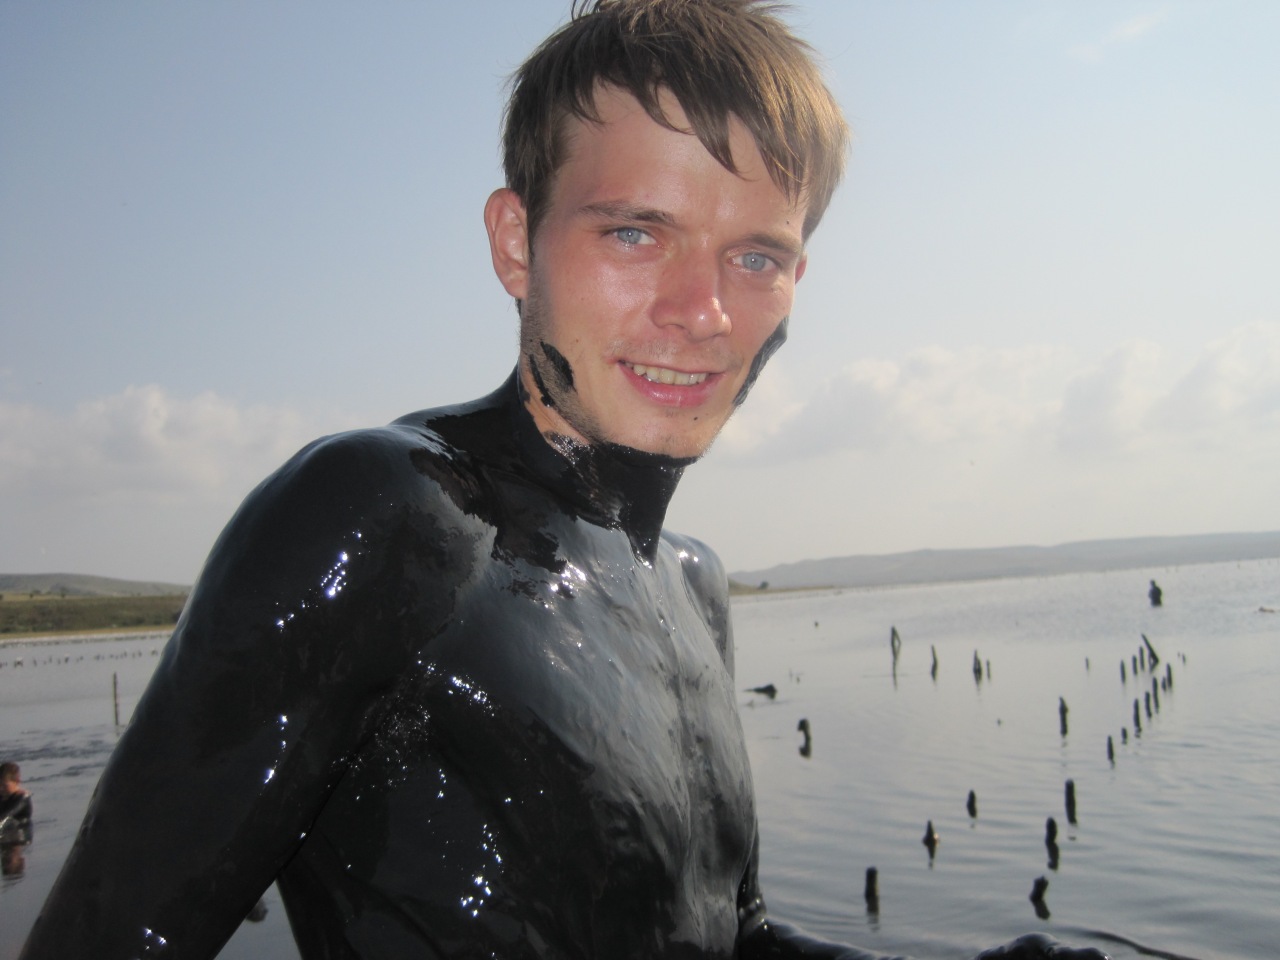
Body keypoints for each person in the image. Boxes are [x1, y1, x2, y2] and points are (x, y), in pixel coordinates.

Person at [22, 3, 1106, 958]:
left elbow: (728, 939)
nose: (701, 312)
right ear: (515, 243)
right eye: (635, 232)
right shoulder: (391, 517)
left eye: (755, 256)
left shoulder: (692, 586)